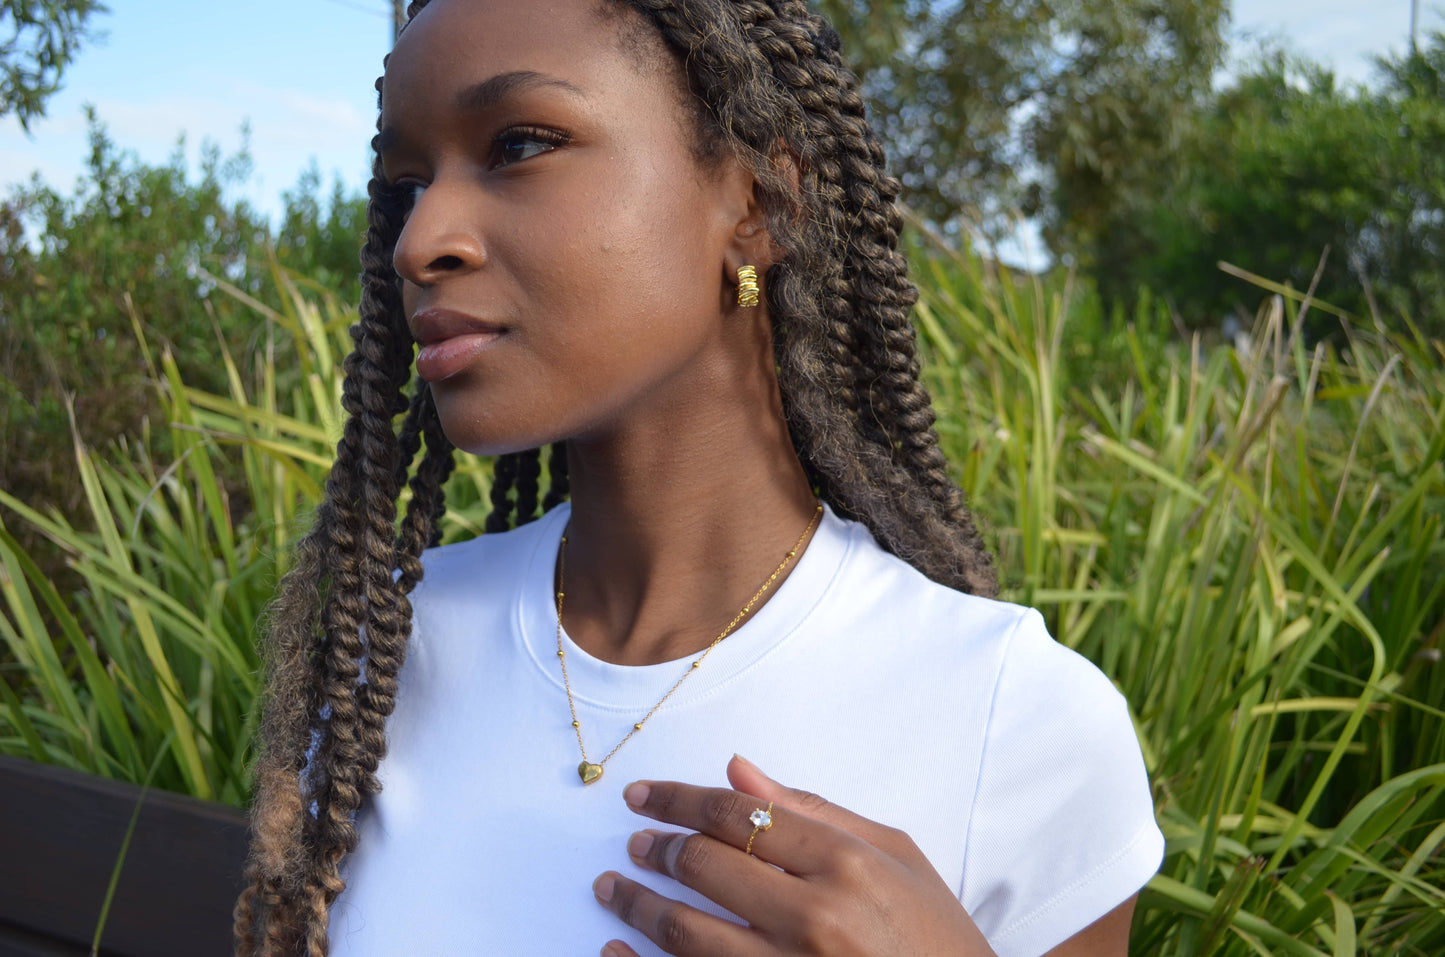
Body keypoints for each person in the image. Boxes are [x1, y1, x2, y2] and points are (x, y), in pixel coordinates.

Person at [232, 0, 1165, 954]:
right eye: (405, 185)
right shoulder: (385, 652)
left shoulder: (1016, 722)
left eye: (517, 145)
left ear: (758, 202)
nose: (418, 241)